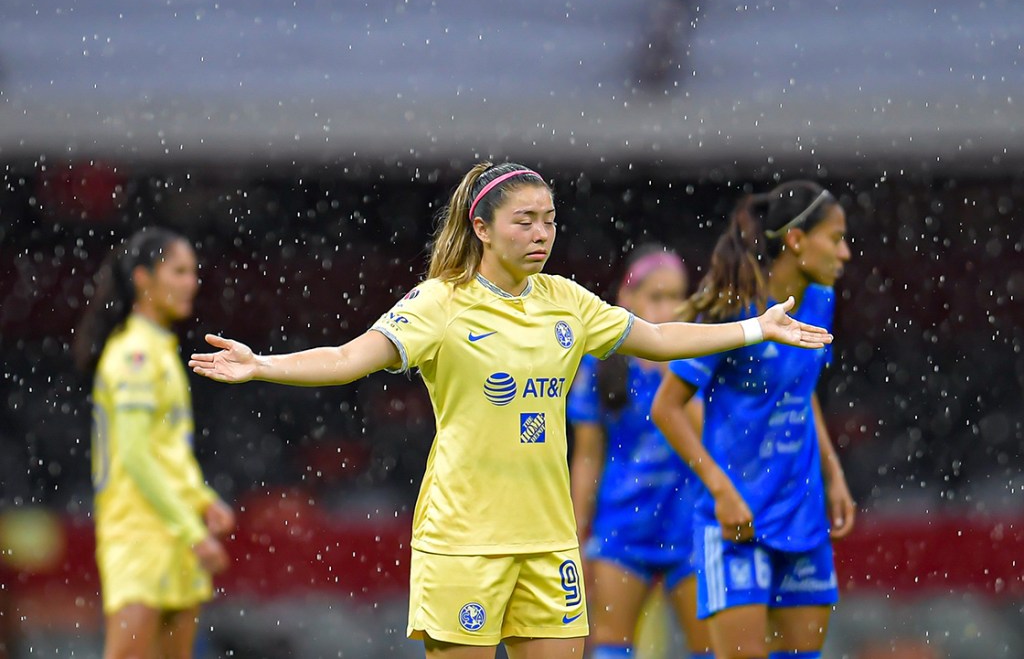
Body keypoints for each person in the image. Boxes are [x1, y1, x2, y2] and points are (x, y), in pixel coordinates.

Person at [188, 162, 832, 659]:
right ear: (482, 226)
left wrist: (755, 330)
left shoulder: (565, 301)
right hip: (464, 541)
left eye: (549, 220)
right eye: (524, 220)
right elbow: (352, 356)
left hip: (549, 543)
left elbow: (659, 339)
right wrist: (264, 364)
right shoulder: (439, 303)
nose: (541, 233)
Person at [650, 181, 856, 659]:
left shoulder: (821, 300)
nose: (845, 253)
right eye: (836, 237)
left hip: (801, 512)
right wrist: (721, 492)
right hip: (737, 519)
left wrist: (833, 472)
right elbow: (666, 407)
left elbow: (801, 394)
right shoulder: (733, 310)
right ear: (798, 241)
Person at [73, 228, 234, 659]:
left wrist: (201, 500)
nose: (191, 283)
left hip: (174, 529)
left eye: (194, 272)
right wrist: (191, 529)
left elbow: (166, 450)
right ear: (143, 278)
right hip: (140, 534)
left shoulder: (159, 349)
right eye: (179, 271)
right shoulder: (134, 355)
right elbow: (135, 455)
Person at [567, 245, 712, 659]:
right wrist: (578, 533)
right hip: (621, 529)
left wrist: (676, 373)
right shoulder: (601, 359)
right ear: (628, 300)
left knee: (710, 649)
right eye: (657, 296)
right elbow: (588, 455)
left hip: (689, 525)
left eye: (677, 296)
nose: (669, 307)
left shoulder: (699, 348)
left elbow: (708, 438)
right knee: (612, 646)